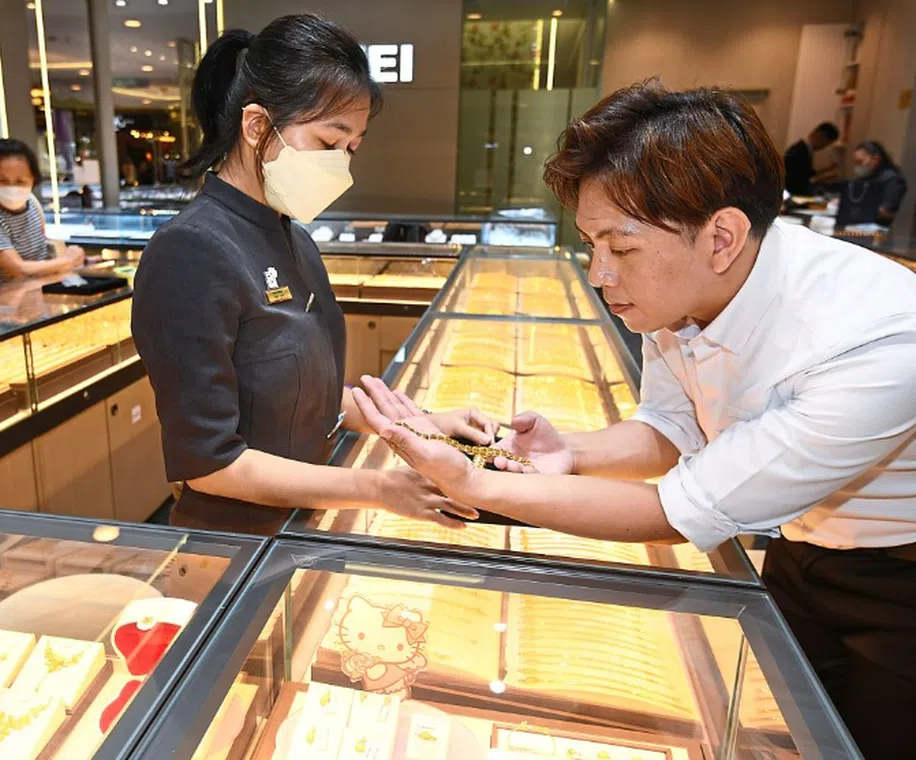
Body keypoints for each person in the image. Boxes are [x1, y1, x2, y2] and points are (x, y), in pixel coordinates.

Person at [354, 83, 916, 760]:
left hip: (901, 581)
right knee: (787, 729)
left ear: (723, 237)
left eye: (621, 249)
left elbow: (679, 509)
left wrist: (475, 486)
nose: (599, 273)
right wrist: (574, 451)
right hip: (803, 548)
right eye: (591, 243)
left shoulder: (879, 343)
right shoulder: (685, 294)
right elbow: (670, 428)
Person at [130, 14, 494, 535]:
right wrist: (376, 488)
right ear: (257, 127)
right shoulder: (189, 251)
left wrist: (422, 427)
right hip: (236, 548)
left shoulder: (292, 236)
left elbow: (310, 400)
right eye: (329, 143)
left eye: (351, 148)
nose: (341, 165)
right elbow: (210, 462)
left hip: (303, 527)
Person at [0, 138, 84, 282]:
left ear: (33, 180)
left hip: (38, 291)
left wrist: (77, 259)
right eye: (3, 181)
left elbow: (43, 250)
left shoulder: (31, 203)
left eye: (20, 181)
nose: (12, 188)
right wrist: (68, 261)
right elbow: (20, 269)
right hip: (1, 300)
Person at [851, 140, 908, 225]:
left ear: (876, 159)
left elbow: (885, 212)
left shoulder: (894, 179)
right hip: (855, 222)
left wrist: (855, 206)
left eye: (860, 161)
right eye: (856, 162)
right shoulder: (866, 176)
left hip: (876, 229)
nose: (858, 166)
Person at [783, 121, 839, 196]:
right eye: (826, 144)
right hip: (793, 195)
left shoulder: (804, 149)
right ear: (820, 136)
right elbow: (797, 180)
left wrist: (825, 170)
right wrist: (822, 179)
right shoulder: (800, 150)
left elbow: (805, 172)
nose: (824, 147)